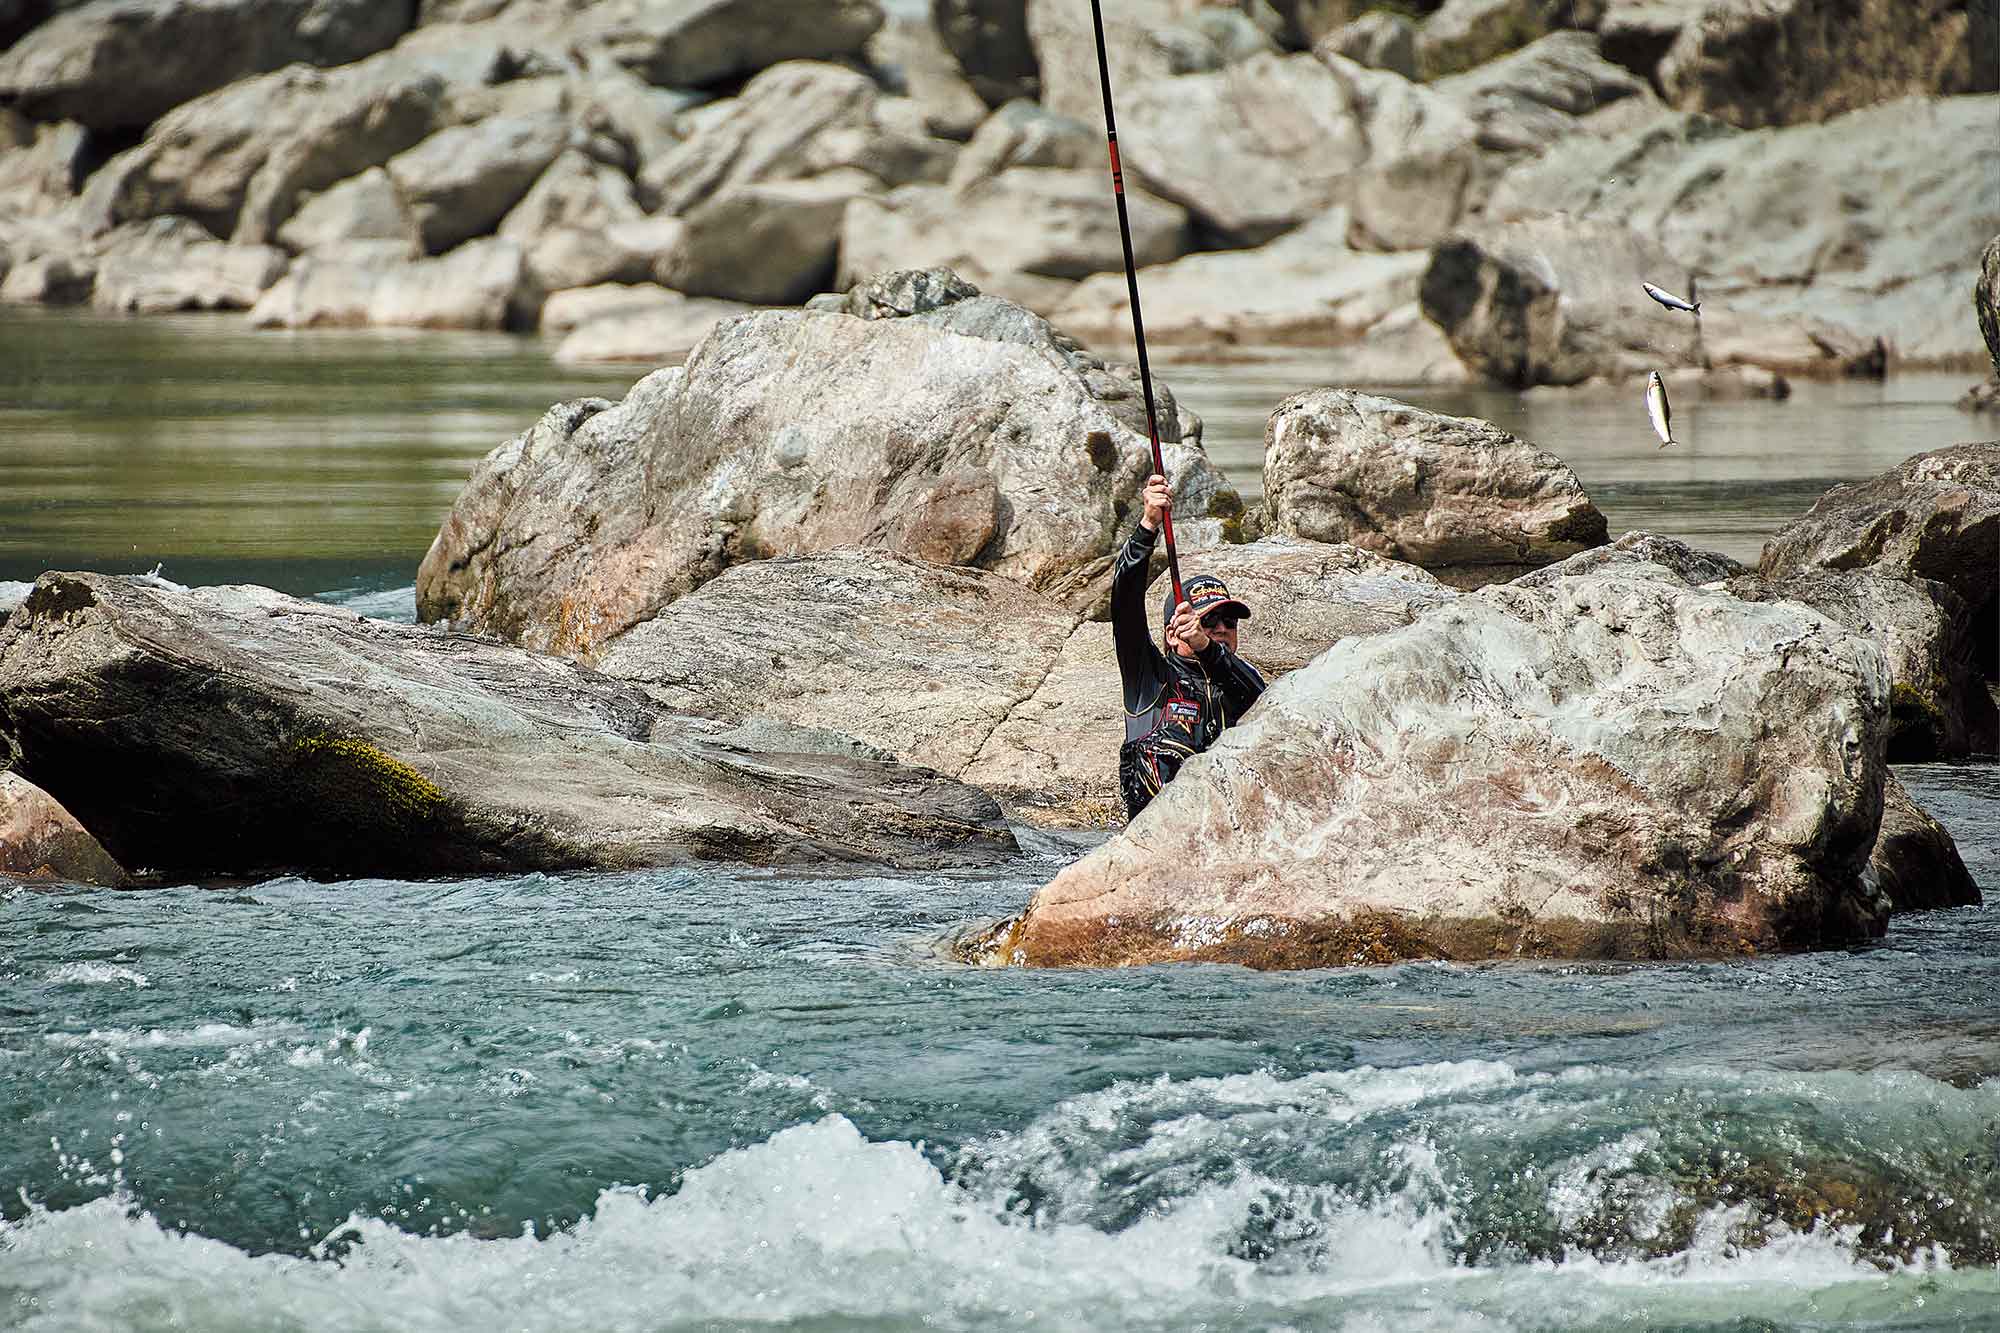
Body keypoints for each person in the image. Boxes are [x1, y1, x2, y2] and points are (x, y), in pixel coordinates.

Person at [1113, 472, 1266, 820]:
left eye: (1229, 621)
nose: (1221, 629)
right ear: (1171, 634)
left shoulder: (1244, 681)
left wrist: (1207, 648)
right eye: (1207, 622)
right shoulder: (1150, 677)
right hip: (1156, 831)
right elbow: (1124, 603)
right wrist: (1148, 525)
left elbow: (1262, 703)